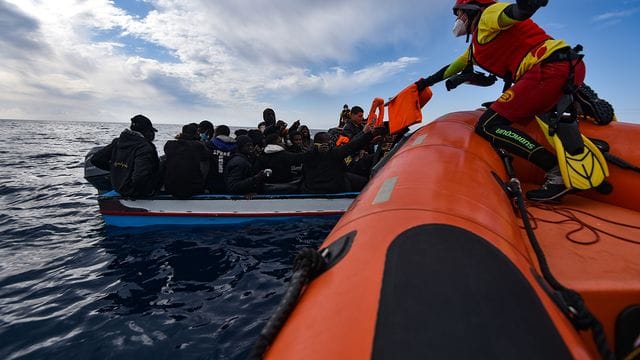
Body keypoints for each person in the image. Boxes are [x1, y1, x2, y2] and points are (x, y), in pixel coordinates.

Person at [415, 0, 614, 202]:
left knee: (488, 125)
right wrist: (423, 83)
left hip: (546, 72)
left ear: (473, 10)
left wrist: (527, 6)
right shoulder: (477, 46)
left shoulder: (488, 16)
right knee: (529, 112)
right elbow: (452, 68)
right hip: (569, 65)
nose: (458, 19)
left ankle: (556, 173)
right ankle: (576, 102)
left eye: (460, 14)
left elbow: (512, 13)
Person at [90, 114, 160, 197]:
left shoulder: (118, 141)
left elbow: (96, 159)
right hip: (135, 193)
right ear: (146, 131)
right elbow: (140, 177)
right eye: (151, 131)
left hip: (118, 187)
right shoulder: (144, 147)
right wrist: (145, 193)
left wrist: (117, 170)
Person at [300, 121, 375, 194]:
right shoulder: (335, 153)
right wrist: (368, 134)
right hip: (334, 189)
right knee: (364, 181)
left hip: (311, 189)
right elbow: (353, 146)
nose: (332, 143)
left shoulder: (307, 155)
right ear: (327, 143)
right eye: (330, 141)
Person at [163, 123, 210, 198]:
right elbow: (206, 159)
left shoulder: (169, 145)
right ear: (196, 133)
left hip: (170, 187)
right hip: (194, 188)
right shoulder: (199, 146)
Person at [206, 124, 236, 193]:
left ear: (216, 133)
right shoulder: (236, 147)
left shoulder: (208, 145)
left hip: (211, 181)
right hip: (229, 181)